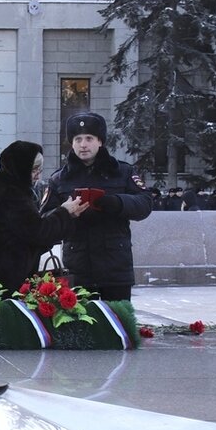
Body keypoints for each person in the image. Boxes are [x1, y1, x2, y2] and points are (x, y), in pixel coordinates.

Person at [41, 112, 152, 301]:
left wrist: (116, 202)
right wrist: (64, 213)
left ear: (100, 141)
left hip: (115, 269)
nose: (83, 144)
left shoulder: (123, 172)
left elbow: (145, 204)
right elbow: (43, 222)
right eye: (77, 139)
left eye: (89, 138)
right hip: (78, 270)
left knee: (117, 325)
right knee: (81, 327)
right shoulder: (59, 179)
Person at [0, 141, 87, 292]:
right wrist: (64, 212)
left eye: (40, 169)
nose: (38, 175)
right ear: (20, 169)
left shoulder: (11, 190)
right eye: (34, 170)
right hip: (2, 279)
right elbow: (37, 232)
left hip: (2, 275)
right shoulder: (10, 195)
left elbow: (30, 233)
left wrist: (66, 215)